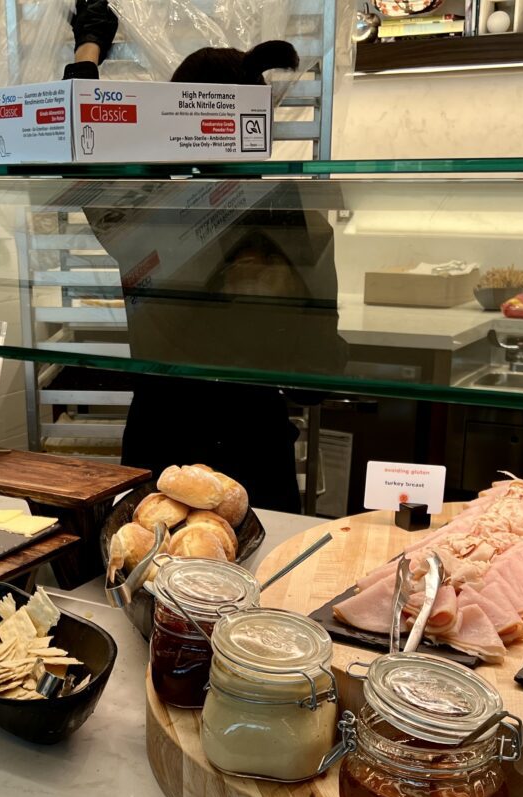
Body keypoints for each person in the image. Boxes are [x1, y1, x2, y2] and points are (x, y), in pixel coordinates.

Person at [57, 0, 345, 512]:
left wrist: (91, 41)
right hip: (252, 449)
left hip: (161, 440)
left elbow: (74, 135)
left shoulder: (142, 209)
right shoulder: (295, 215)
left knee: (147, 576)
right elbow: (316, 380)